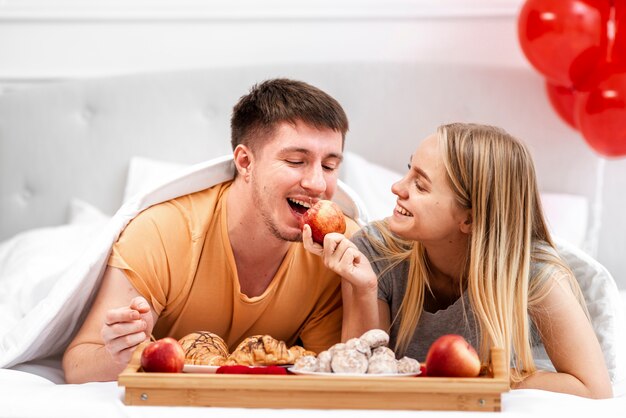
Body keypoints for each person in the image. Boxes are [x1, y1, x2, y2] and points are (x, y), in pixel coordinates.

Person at [62, 78, 360, 383]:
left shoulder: (337, 251)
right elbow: (77, 365)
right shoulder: (162, 233)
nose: (318, 184)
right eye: (296, 161)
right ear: (245, 162)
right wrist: (121, 355)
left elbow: (336, 373)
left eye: (329, 166)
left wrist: (362, 288)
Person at [303, 122, 613, 398]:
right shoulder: (375, 250)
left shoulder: (532, 274)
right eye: (408, 170)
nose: (397, 188)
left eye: (420, 185)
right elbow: (358, 387)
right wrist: (365, 288)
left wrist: (488, 379)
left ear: (471, 218)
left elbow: (593, 388)